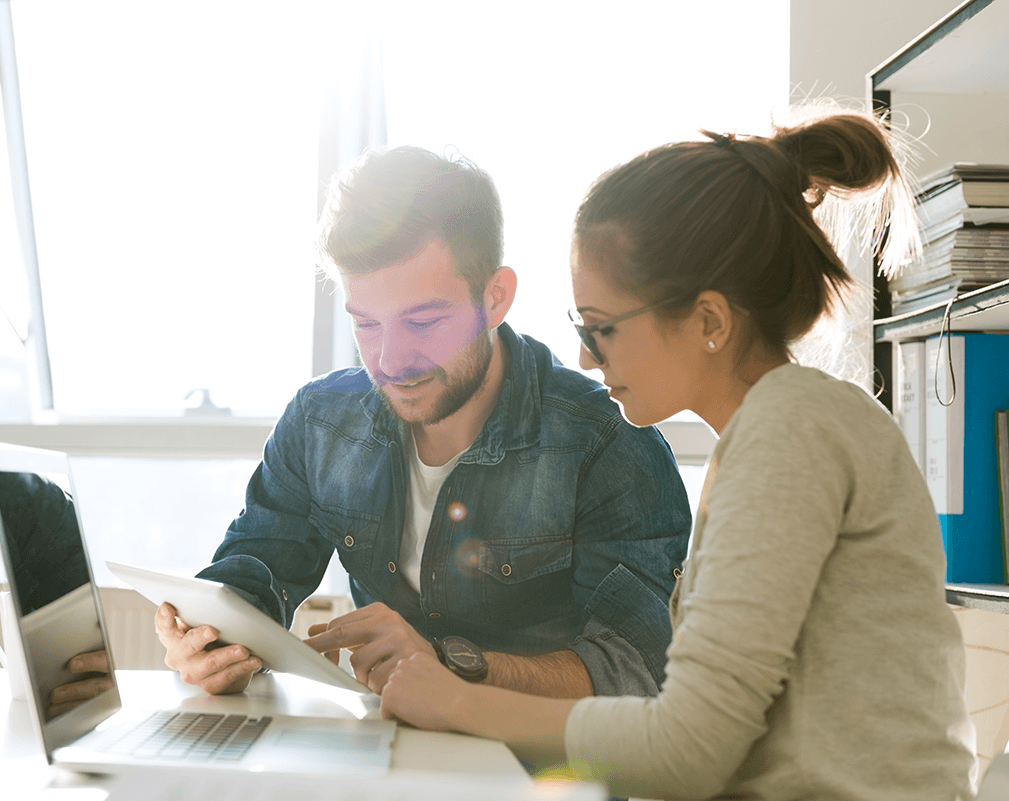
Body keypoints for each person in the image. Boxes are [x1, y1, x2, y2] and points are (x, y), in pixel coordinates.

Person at [377, 112, 980, 800]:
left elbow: (688, 749)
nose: (582, 356)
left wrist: (457, 701)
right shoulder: (774, 430)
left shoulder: (792, 431)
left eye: (601, 328)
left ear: (710, 322)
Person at [155, 145, 692, 700]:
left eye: (423, 321)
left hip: (538, 773)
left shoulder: (607, 444)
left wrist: (446, 666)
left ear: (496, 297)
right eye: (367, 325)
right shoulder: (320, 422)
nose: (390, 362)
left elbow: (636, 673)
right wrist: (210, 642)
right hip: (387, 754)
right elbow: (254, 571)